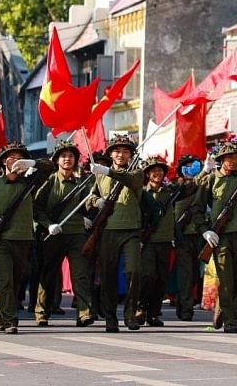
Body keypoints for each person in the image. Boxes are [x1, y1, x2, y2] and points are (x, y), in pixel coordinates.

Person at [0, 142, 55, 334]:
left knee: (18, 280)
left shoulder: (30, 182)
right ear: (3, 162)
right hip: (1, 240)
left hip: (24, 240)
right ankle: (12, 321)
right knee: (5, 281)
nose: (15, 161)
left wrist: (31, 163)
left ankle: (1, 316)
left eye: (20, 158)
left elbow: (49, 166)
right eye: (11, 158)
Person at [191, 140, 237, 333]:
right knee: (226, 279)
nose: (234, 161)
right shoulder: (210, 180)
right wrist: (205, 230)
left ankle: (222, 306)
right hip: (221, 237)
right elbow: (197, 209)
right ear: (221, 160)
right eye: (229, 157)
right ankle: (230, 320)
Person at [33, 139, 95, 328]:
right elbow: (36, 207)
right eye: (63, 156)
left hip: (76, 233)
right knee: (49, 273)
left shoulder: (81, 183)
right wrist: (48, 224)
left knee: (80, 274)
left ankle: (84, 313)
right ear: (57, 160)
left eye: (71, 156)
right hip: (54, 234)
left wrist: (94, 202)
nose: (67, 159)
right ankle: (41, 312)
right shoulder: (49, 181)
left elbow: (86, 204)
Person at [87, 134, 145, 332]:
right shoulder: (99, 175)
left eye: (126, 151)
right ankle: (110, 318)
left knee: (134, 271)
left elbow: (133, 182)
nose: (121, 155)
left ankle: (130, 316)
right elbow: (91, 197)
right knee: (108, 276)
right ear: (111, 154)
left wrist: (108, 171)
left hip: (131, 229)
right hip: (108, 231)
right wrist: (97, 202)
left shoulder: (137, 172)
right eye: (117, 151)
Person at [136, 155, 173, 327]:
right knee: (147, 276)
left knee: (161, 279)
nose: (157, 173)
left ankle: (154, 313)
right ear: (147, 174)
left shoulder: (169, 193)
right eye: (153, 171)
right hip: (148, 240)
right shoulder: (142, 193)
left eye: (160, 170)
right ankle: (140, 306)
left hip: (164, 241)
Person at [171, 154, 202, 322]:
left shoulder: (202, 185)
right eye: (186, 166)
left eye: (194, 166)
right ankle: (186, 308)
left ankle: (183, 302)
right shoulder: (178, 187)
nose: (190, 169)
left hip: (199, 234)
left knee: (195, 273)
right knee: (185, 273)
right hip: (182, 235)